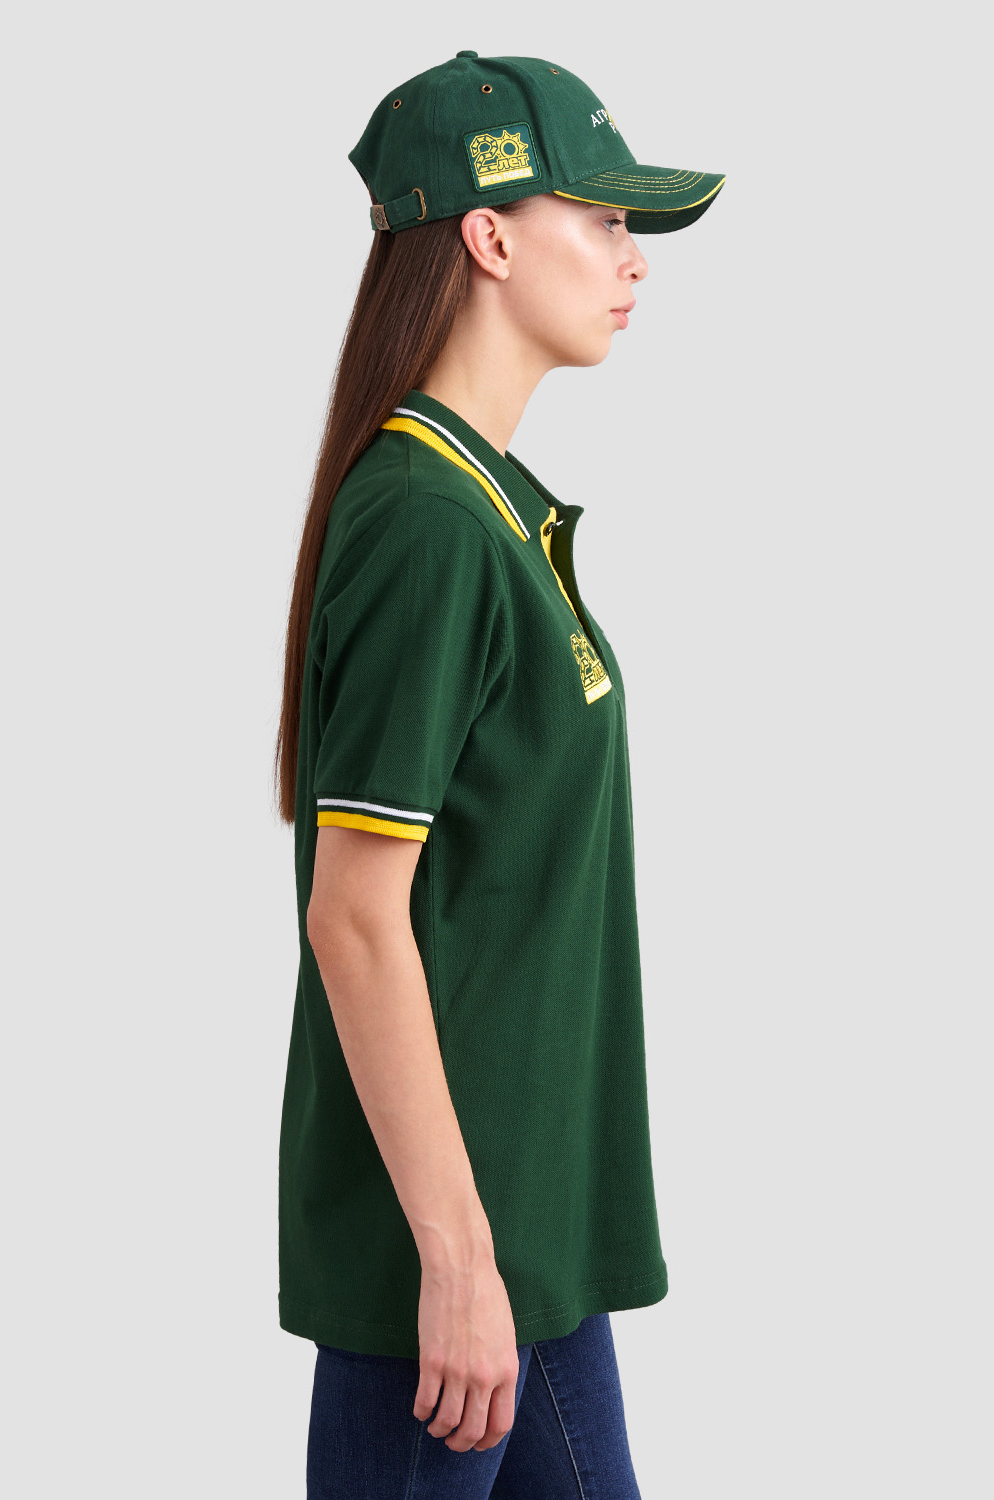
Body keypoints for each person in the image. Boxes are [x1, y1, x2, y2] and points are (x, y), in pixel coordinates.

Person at [273, 49, 725, 1499]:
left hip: (530, 1240)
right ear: (489, 235)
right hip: (447, 1276)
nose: (632, 258)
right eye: (602, 217)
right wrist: (458, 1262)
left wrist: (501, 1255)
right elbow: (355, 917)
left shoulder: (490, 503)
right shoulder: (427, 524)